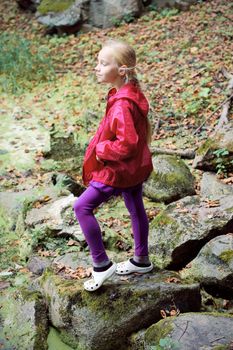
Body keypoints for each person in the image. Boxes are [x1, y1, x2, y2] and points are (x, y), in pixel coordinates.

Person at [73, 39, 154, 292]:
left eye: (103, 63)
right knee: (135, 206)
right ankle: (141, 259)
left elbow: (126, 144)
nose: (96, 67)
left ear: (122, 70)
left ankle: (101, 264)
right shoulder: (129, 93)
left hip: (119, 170)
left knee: (82, 206)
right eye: (98, 62)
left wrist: (100, 149)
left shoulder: (122, 104)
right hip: (134, 168)